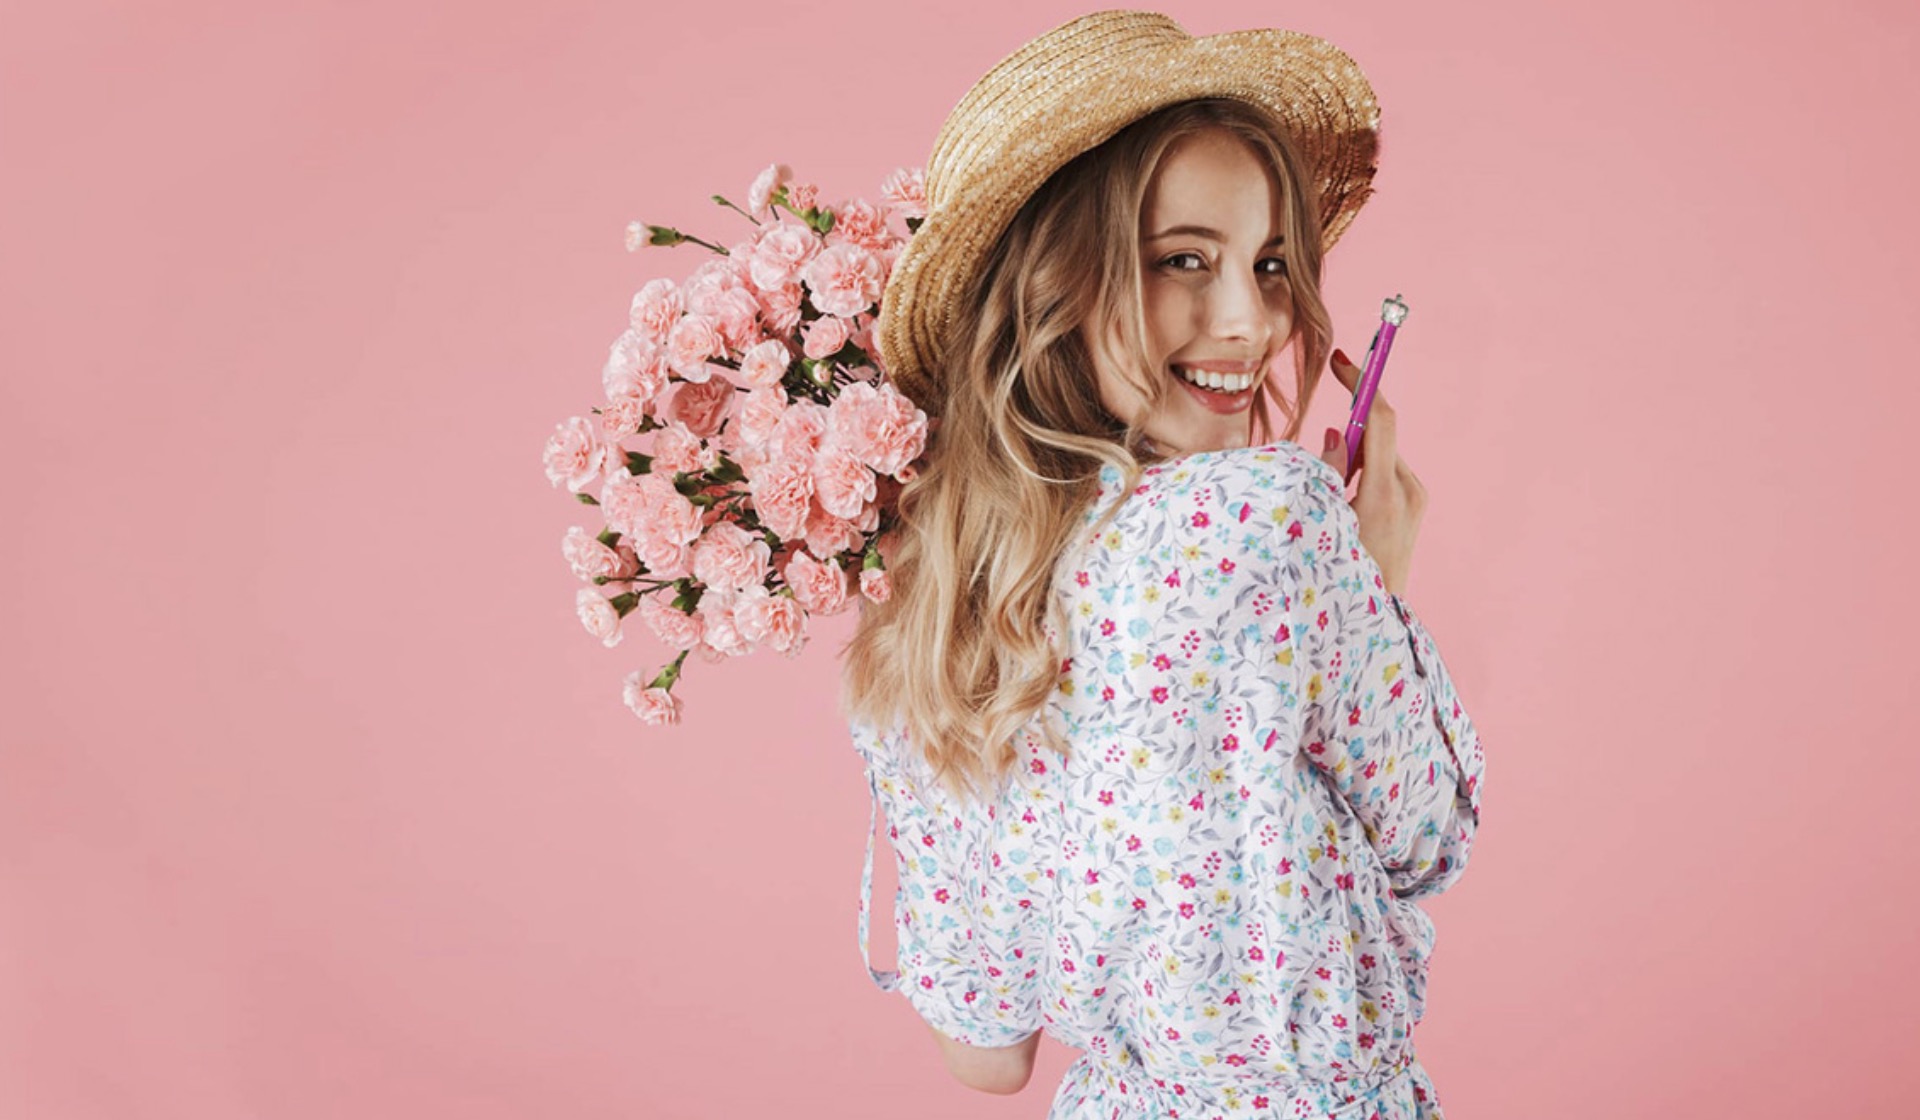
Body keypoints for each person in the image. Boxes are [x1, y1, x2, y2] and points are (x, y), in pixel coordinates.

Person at [839, 12, 1486, 1118]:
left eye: (1271, 263)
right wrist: (1371, 576)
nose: (1248, 318)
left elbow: (987, 1057)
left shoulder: (939, 596)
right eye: (1185, 260)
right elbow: (1430, 838)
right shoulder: (1270, 519)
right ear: (1058, 280)